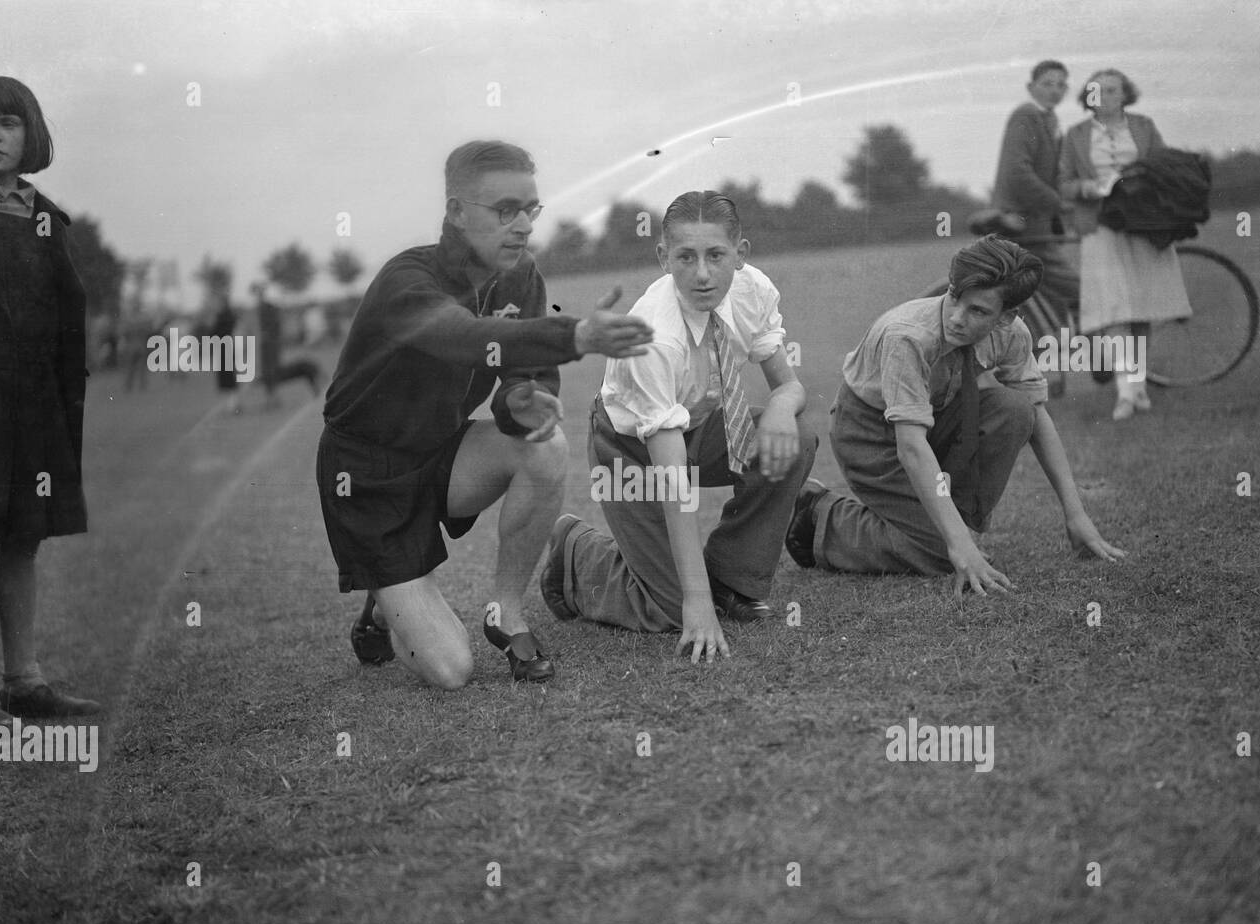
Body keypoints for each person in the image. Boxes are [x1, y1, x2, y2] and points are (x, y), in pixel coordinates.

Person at [317, 140, 652, 688]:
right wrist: (578, 335)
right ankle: (383, 601)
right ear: (455, 212)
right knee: (451, 671)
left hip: (442, 454)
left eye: (530, 209)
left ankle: (506, 613)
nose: (522, 225)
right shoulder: (407, 280)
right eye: (505, 210)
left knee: (546, 447)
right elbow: (465, 337)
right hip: (365, 476)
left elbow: (524, 369)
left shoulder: (520, 275)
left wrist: (522, 400)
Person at [541, 191, 816, 663]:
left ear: (741, 254)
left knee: (799, 436)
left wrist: (778, 409)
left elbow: (790, 387)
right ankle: (576, 551)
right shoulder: (654, 337)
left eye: (716, 255)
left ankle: (733, 580)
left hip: (700, 420)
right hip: (628, 446)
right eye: (686, 257)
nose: (703, 273)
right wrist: (695, 603)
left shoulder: (753, 290)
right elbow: (674, 481)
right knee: (669, 610)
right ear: (663, 258)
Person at [785, 236, 1124, 597]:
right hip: (869, 432)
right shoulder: (908, 337)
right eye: (953, 297)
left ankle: (944, 529)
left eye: (978, 311)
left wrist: (1076, 515)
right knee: (944, 553)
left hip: (934, 417)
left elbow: (1038, 417)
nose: (957, 318)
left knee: (1015, 409)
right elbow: (911, 446)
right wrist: (958, 544)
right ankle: (818, 513)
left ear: (1006, 317)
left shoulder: (1012, 335)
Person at [0, 76, 102, 725]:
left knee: (21, 539)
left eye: (6, 122)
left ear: (29, 133)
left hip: (33, 405)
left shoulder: (42, 215)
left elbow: (67, 315)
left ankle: (24, 681)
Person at [1059, 68, 1190, 420]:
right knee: (1115, 309)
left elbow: (1166, 168)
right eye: (1097, 91)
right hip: (1101, 226)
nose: (1104, 97)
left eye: (1112, 90)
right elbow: (1064, 184)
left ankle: (1139, 387)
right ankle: (1125, 392)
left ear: (1125, 94)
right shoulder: (1076, 135)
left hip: (1144, 224)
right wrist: (1091, 187)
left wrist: (1139, 182)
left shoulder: (1144, 126)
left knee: (1141, 309)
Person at [991, 59, 1080, 324]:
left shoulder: (1050, 121)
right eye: (1047, 84)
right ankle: (1104, 364)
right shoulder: (1027, 115)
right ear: (1031, 87)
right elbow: (1018, 172)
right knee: (1086, 294)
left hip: (1037, 228)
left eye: (1061, 85)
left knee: (1056, 303)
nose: (1055, 90)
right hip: (1023, 228)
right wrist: (1057, 203)